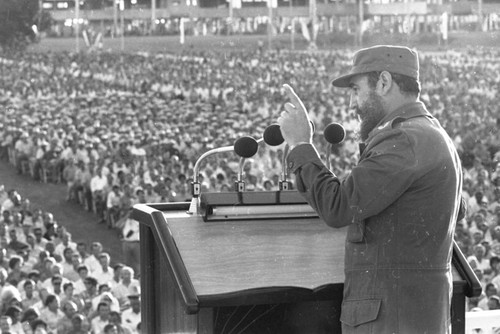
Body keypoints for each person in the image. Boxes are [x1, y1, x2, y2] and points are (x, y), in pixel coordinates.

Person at [277, 45, 464, 333]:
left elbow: (338, 206)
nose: (353, 103)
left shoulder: (403, 140)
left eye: (356, 89)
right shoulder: (431, 133)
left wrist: (301, 144)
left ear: (384, 82)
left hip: (390, 320)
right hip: (414, 315)